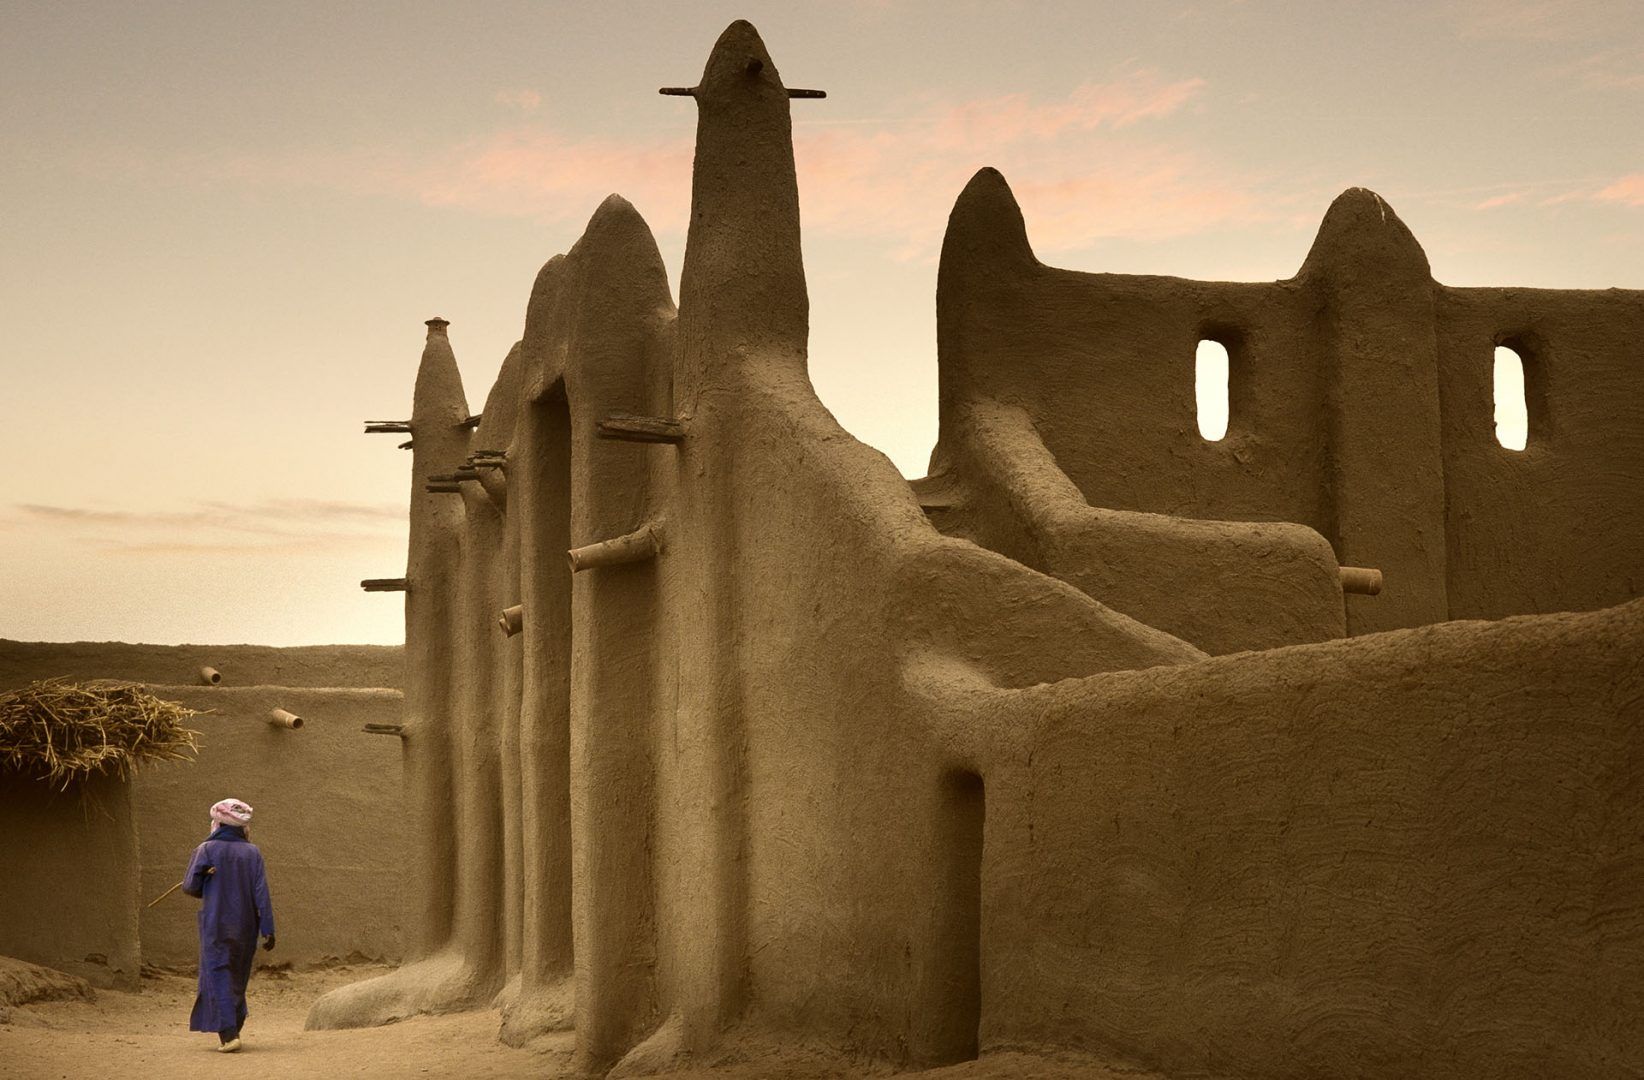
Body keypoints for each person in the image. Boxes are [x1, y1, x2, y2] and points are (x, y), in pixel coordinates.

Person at [183, 798, 276, 1053]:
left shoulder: (206, 850)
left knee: (218, 974)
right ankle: (235, 1024)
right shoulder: (253, 853)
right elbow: (261, 892)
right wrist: (268, 928)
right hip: (247, 927)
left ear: (218, 822)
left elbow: (190, 887)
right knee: (237, 974)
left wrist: (204, 876)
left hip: (216, 924)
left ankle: (228, 1033)